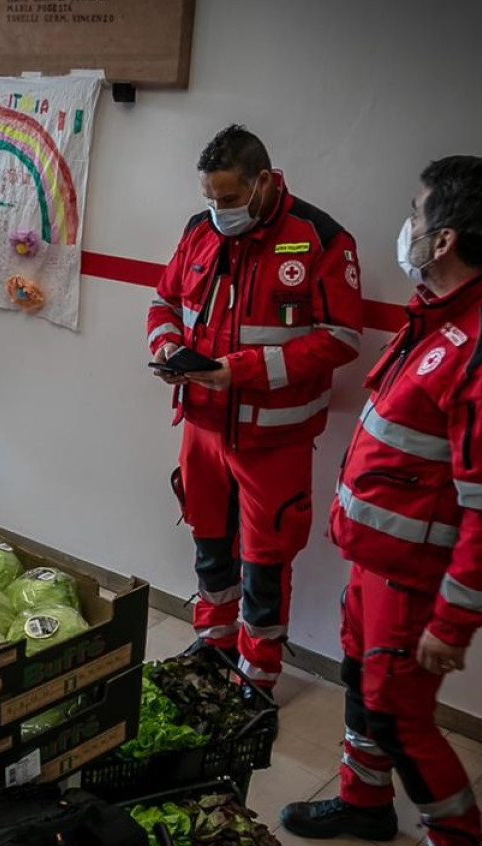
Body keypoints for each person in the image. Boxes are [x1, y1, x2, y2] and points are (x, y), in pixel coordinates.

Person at [282, 156, 482, 846]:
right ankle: (364, 802)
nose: (404, 225)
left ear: (443, 239)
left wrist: (453, 623)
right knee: (363, 689)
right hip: (378, 565)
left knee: (403, 722)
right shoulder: (442, 312)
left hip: (417, 584)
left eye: (415, 212)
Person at [145, 124, 364, 691]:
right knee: (209, 541)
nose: (219, 211)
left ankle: (258, 673)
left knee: (266, 560)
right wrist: (166, 346)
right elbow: (164, 301)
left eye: (229, 198)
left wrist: (240, 371)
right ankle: (213, 642)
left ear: (263, 181)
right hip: (201, 426)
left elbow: (341, 338)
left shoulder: (320, 239)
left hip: (274, 439)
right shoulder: (199, 231)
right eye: (210, 199)